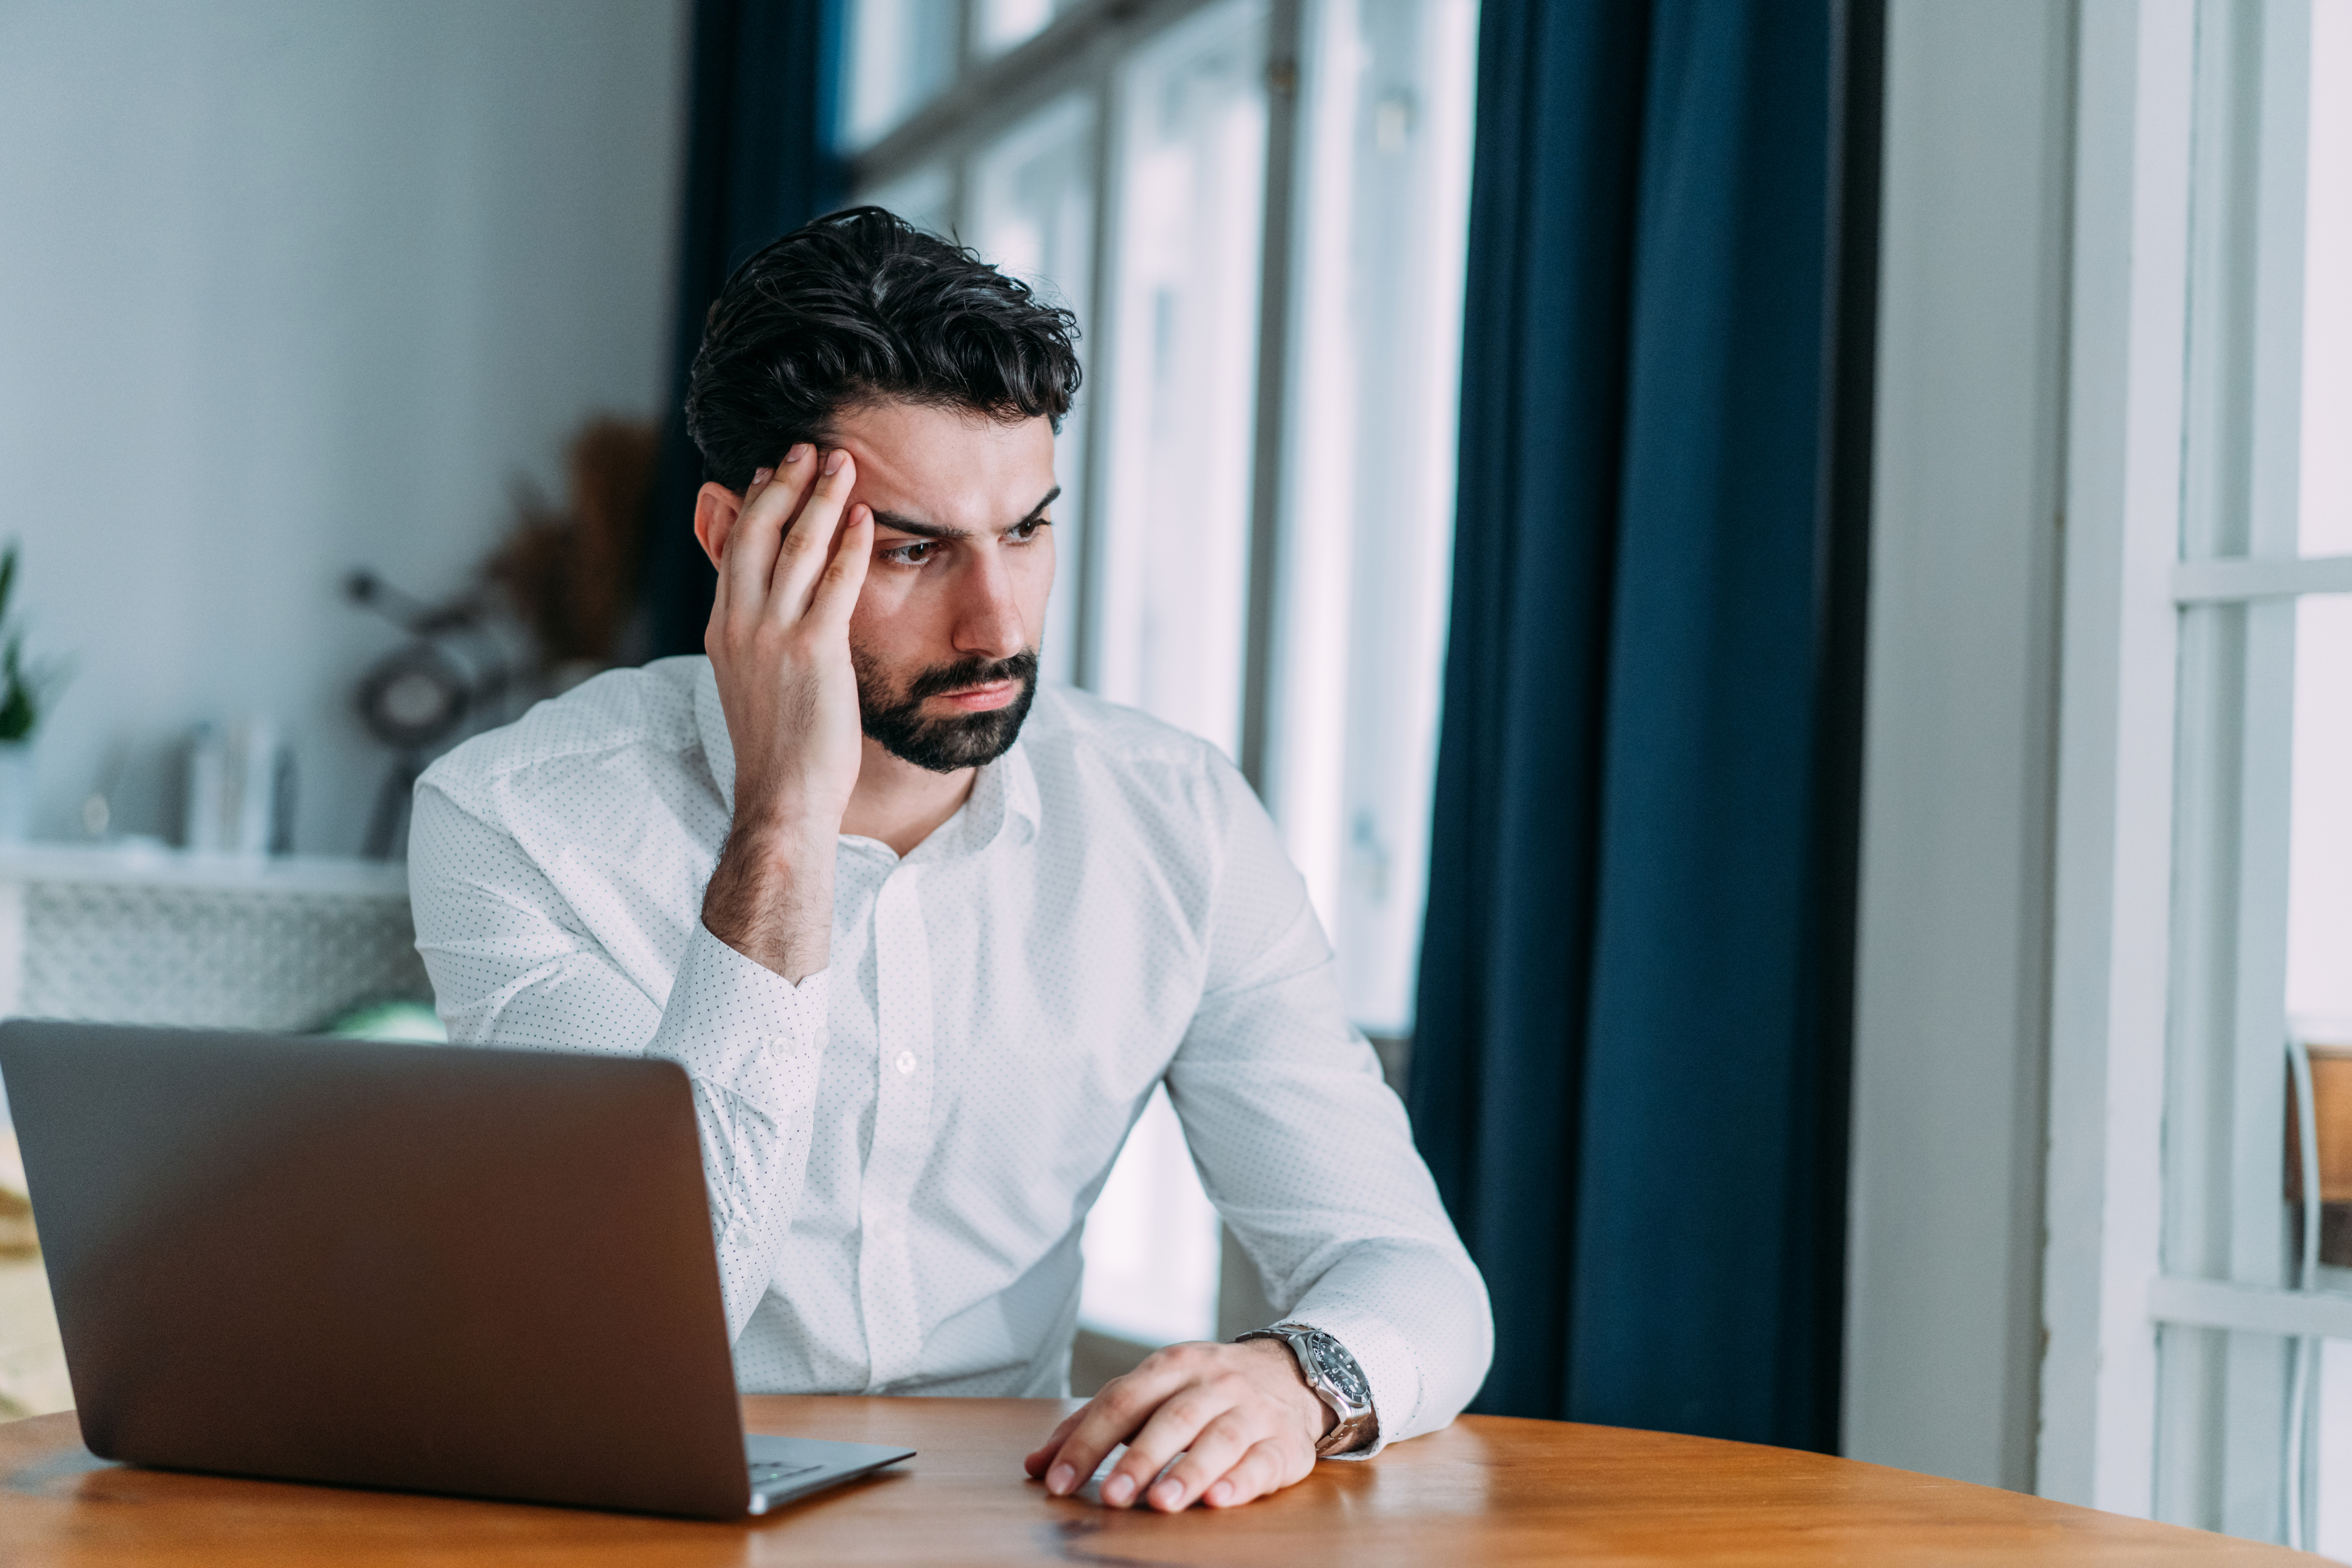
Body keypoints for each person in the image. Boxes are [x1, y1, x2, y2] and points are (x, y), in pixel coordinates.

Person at [409, 207, 1490, 1514]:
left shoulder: (1176, 820)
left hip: (1020, 1517)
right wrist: (783, 823)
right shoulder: (516, 822)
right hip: (646, 1517)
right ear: (731, 538)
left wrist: (1297, 1376)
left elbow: (1408, 1269)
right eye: (913, 550)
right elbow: (653, 1304)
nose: (996, 624)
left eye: (1026, 531)